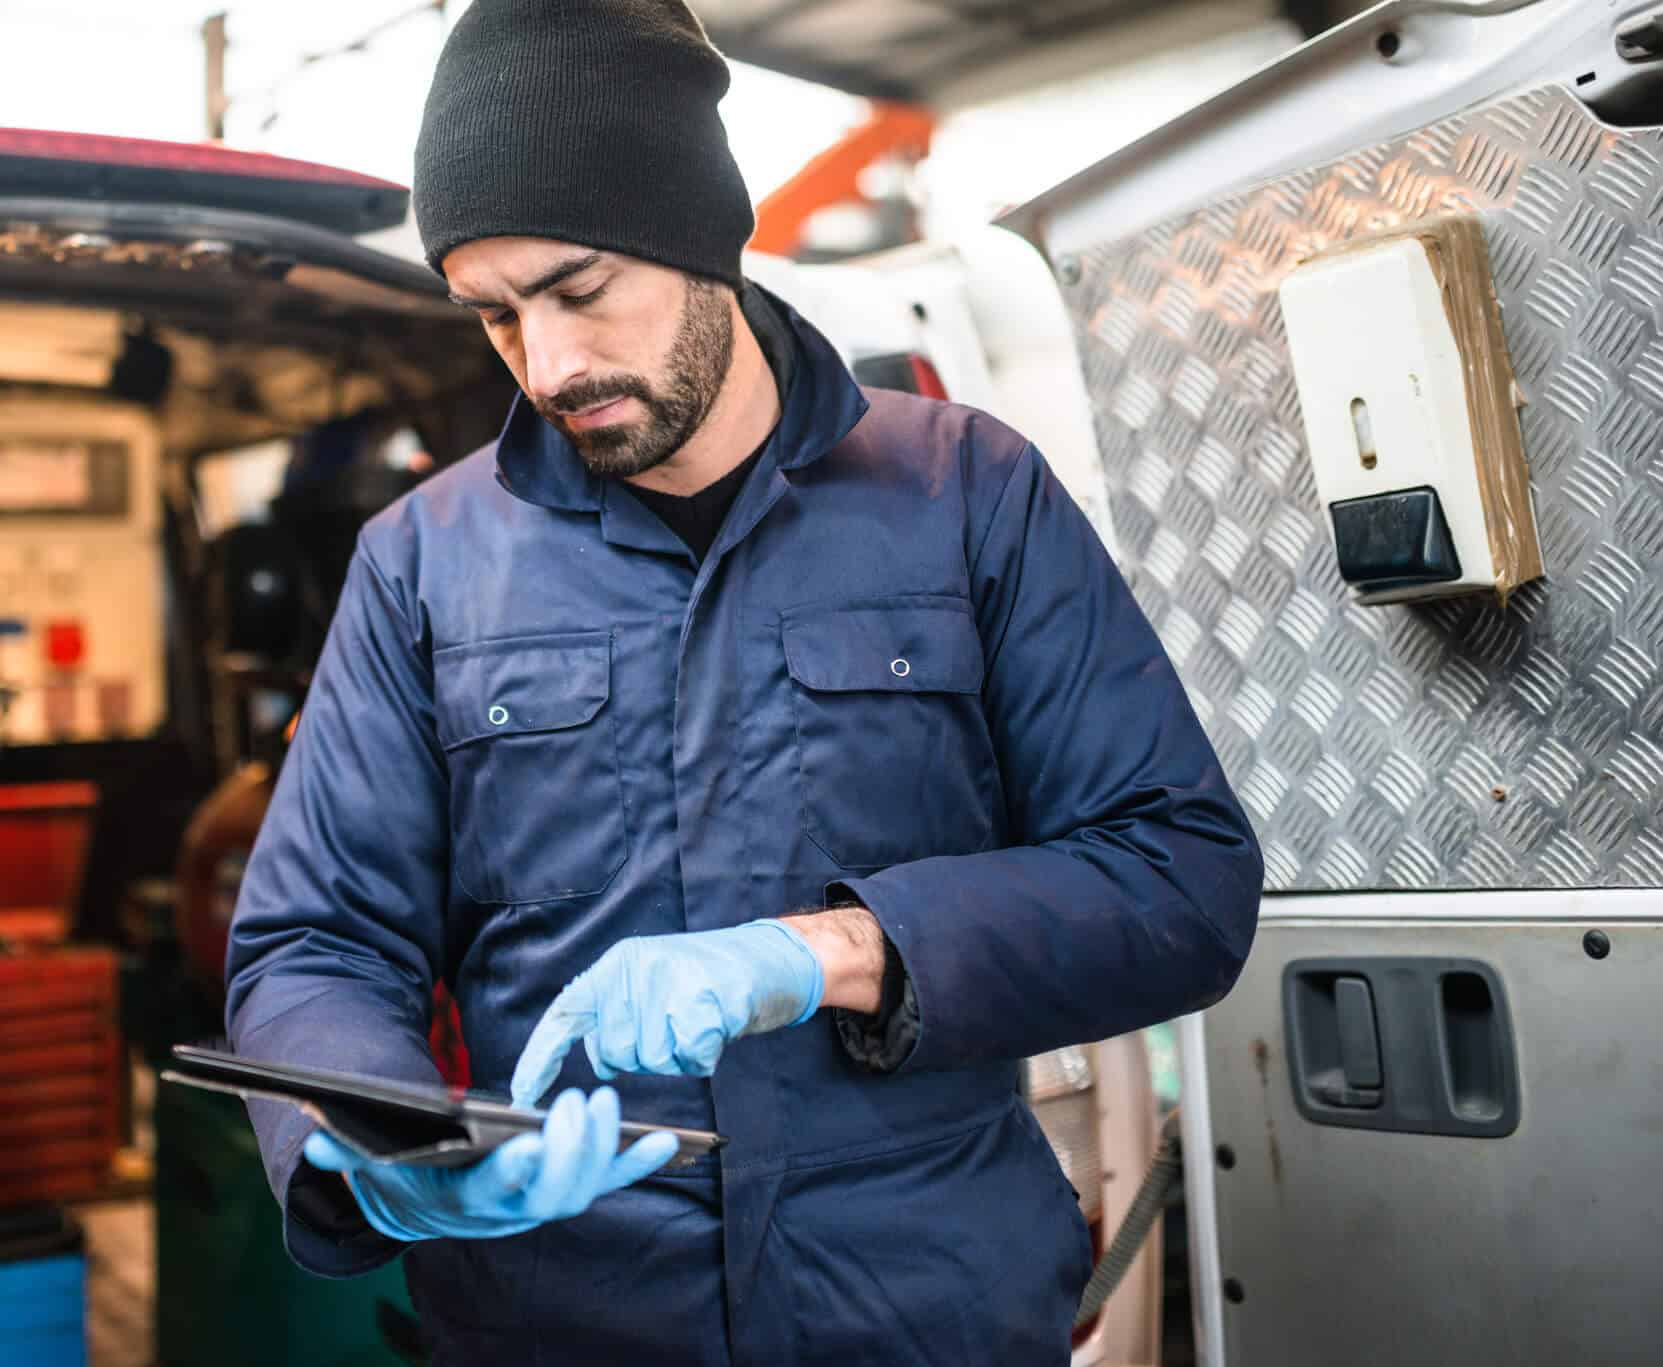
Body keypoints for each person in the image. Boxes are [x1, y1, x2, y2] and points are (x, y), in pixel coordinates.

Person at [223, 2, 1264, 1362]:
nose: (548, 365)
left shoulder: (966, 495)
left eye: (582, 290)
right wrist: (375, 1136)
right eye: (494, 317)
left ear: (702, 237)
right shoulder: (425, 564)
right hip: (568, 1319)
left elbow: (1177, 879)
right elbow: (315, 943)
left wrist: (824, 953)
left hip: (917, 1310)